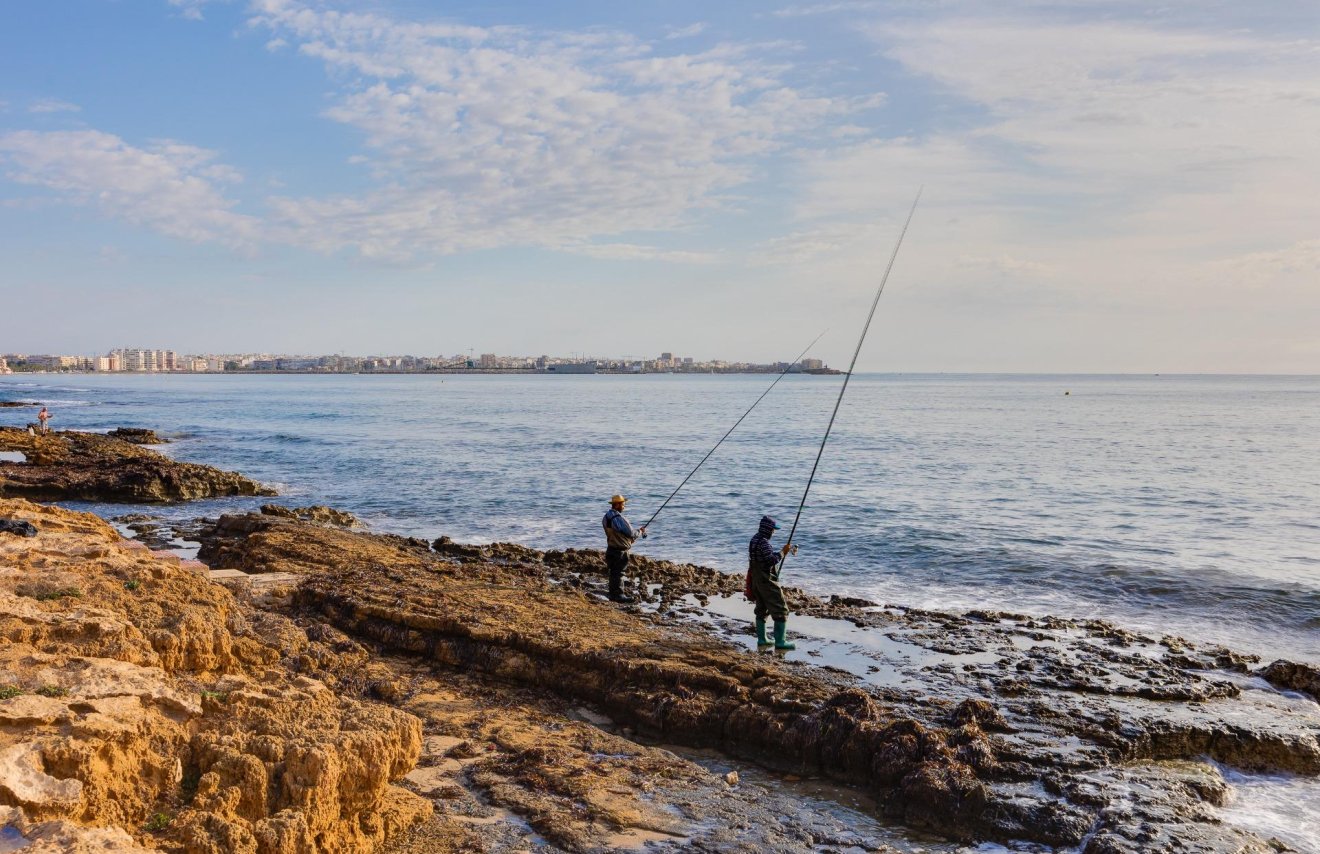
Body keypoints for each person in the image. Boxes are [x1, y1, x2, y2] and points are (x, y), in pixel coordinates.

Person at [747, 515, 798, 650]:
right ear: (767, 530)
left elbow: (764, 558)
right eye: (773, 530)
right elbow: (771, 560)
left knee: (761, 609)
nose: (773, 532)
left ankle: (762, 640)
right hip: (766, 582)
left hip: (756, 580)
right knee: (781, 609)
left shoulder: (754, 540)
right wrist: (783, 552)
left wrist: (782, 552)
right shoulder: (764, 543)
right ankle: (781, 642)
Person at [602, 494, 646, 603]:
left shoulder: (606, 516)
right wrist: (640, 531)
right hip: (619, 551)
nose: (624, 507)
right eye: (623, 504)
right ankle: (619, 596)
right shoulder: (619, 518)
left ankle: (613, 594)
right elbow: (631, 533)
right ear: (617, 505)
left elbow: (616, 533)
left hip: (611, 548)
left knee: (613, 573)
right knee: (619, 573)